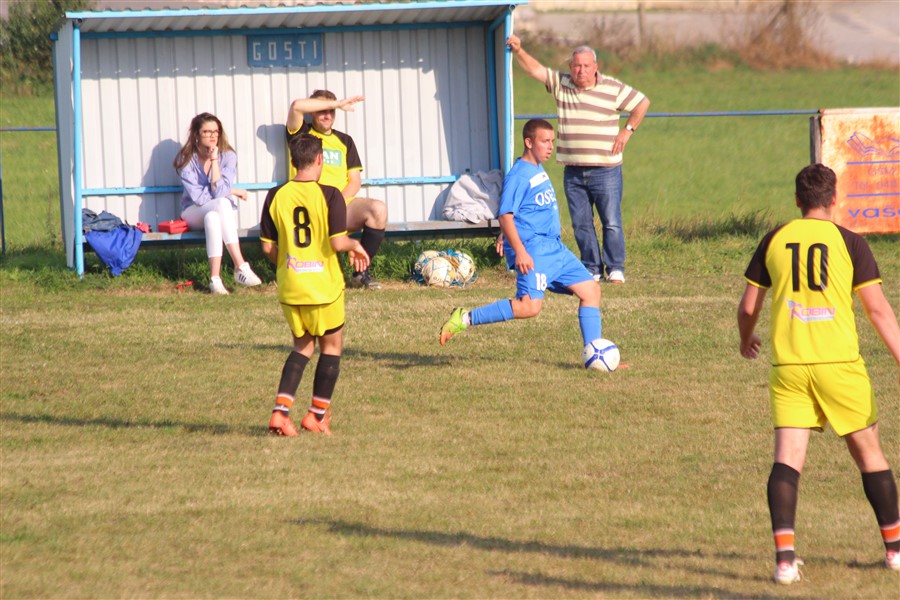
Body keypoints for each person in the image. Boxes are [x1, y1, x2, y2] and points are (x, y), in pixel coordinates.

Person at [737, 164, 900, 583]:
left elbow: (748, 307)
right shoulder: (850, 243)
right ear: (834, 199)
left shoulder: (774, 239)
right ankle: (895, 553)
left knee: (787, 461)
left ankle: (785, 562)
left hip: (790, 367)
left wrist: (746, 338)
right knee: (870, 457)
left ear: (797, 201)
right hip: (840, 366)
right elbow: (878, 309)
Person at [439, 119, 605, 363]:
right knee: (529, 307)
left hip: (555, 248)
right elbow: (505, 214)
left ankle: (595, 355)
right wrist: (519, 250)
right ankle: (464, 318)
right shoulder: (518, 175)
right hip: (534, 250)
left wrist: (505, 234)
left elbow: (521, 212)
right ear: (528, 142)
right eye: (544, 141)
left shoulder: (537, 167)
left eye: (552, 141)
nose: (550, 146)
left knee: (591, 291)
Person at [506, 34, 650, 284]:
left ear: (595, 67)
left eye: (585, 65)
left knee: (611, 221)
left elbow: (642, 103)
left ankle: (616, 268)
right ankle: (591, 268)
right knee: (581, 224)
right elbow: (536, 70)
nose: (580, 70)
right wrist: (519, 50)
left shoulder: (612, 88)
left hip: (606, 170)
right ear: (570, 67)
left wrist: (627, 132)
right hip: (573, 171)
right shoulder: (562, 84)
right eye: (575, 66)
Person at [261, 133, 370, 436]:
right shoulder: (330, 194)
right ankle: (317, 415)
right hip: (323, 287)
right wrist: (354, 246)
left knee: (303, 346)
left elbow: (269, 249)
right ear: (320, 159)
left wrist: (290, 264)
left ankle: (280, 414)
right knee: (332, 346)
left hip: (291, 287)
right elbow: (336, 241)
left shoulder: (275, 195)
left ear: (294, 161)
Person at [286, 89, 387, 289]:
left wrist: (335, 204)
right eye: (322, 110)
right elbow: (297, 106)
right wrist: (336, 103)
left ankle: (360, 273)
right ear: (312, 112)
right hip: (308, 208)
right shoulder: (301, 135)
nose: (327, 115)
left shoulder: (345, 141)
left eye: (331, 111)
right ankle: (307, 272)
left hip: (340, 206)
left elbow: (355, 181)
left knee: (378, 209)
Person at [173, 112, 262, 295]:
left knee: (214, 216)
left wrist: (214, 161)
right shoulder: (186, 159)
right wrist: (233, 191)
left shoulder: (228, 156)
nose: (212, 135)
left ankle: (215, 280)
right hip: (191, 212)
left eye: (215, 131)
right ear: (196, 134)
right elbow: (198, 198)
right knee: (222, 203)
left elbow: (220, 191)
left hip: (214, 211)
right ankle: (240, 266)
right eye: (207, 132)